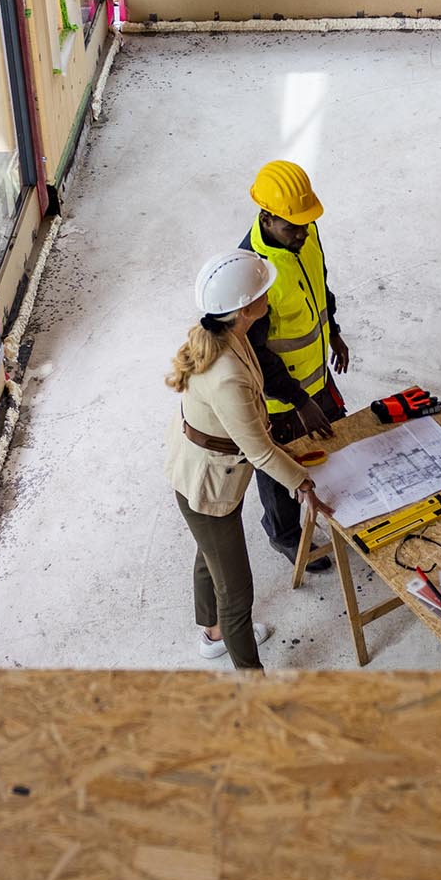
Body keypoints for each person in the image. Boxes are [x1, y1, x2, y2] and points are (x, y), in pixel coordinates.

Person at [165, 249, 333, 669]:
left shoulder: (228, 336)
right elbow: (259, 450)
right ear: (243, 309)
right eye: (262, 289)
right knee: (236, 592)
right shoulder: (226, 375)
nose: (269, 293)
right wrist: (303, 484)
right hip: (208, 483)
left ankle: (212, 634)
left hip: (210, 472)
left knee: (211, 554)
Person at [240, 160, 349, 572]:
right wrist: (298, 400)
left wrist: (333, 330)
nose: (303, 234)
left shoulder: (305, 230)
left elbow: (319, 284)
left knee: (334, 444)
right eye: (292, 227)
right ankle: (284, 535)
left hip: (314, 375)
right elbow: (255, 353)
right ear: (267, 218)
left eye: (306, 224)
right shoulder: (253, 272)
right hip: (278, 396)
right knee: (278, 463)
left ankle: (335, 511)